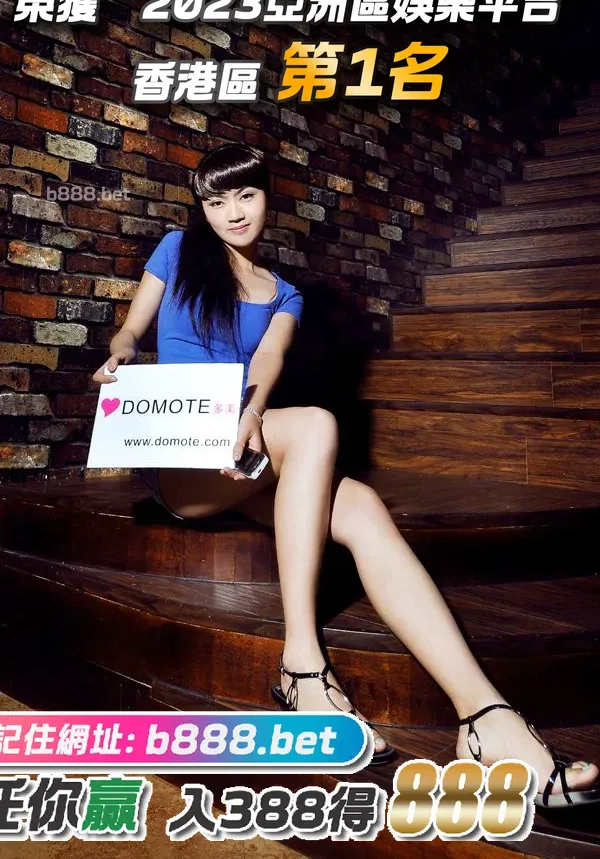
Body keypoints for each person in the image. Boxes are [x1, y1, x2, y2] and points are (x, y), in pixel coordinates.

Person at [92, 142, 600, 809]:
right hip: (180, 452)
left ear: (267, 196)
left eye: (245, 195)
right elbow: (130, 331)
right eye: (216, 201)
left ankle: (485, 718)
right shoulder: (177, 251)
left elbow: (267, 361)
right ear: (202, 208)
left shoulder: (285, 293)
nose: (233, 212)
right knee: (316, 426)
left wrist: (252, 412)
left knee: (360, 507)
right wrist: (120, 357)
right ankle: (301, 662)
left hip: (242, 443)